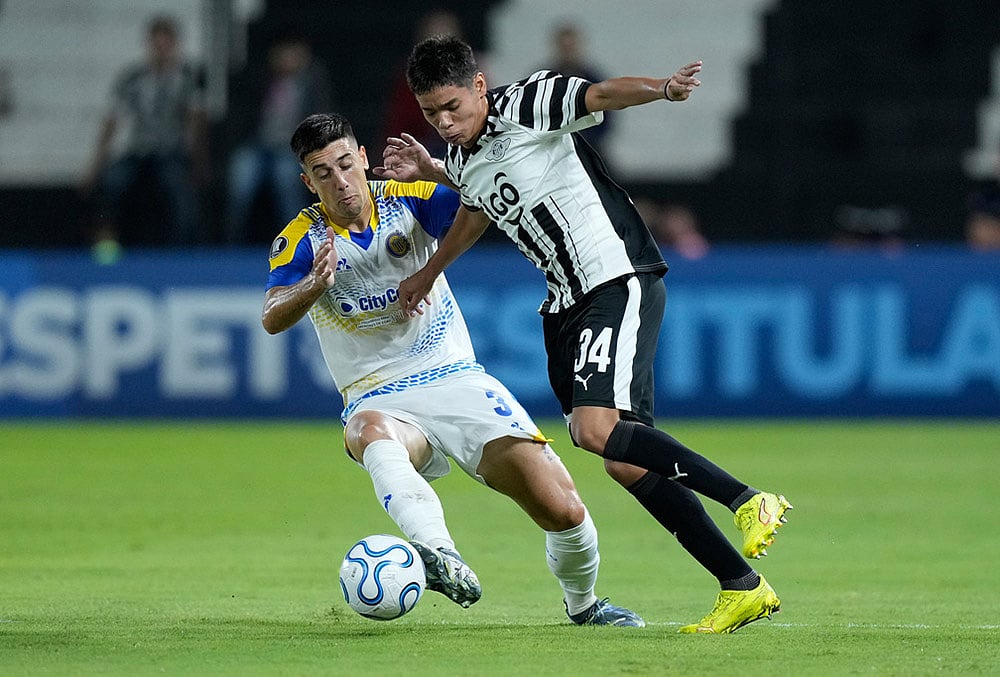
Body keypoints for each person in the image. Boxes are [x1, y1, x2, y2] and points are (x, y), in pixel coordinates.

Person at [379, 36, 792, 634]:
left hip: (613, 279)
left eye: (452, 107)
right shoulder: (465, 157)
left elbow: (599, 94)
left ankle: (748, 499)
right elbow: (478, 204)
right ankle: (741, 587)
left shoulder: (528, 103)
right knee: (624, 458)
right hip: (565, 306)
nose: (445, 122)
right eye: (431, 113)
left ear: (479, 86)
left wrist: (663, 89)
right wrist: (429, 261)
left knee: (592, 429)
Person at [261, 112, 643, 626]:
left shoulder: (408, 199)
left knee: (564, 510)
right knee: (367, 430)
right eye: (323, 172)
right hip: (377, 393)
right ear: (308, 181)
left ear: (362, 159)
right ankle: (440, 553)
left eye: (345, 164)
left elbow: (483, 207)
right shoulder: (302, 238)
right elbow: (271, 316)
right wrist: (312, 285)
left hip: (453, 377)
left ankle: (585, 604)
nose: (340, 181)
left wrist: (437, 179)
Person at [80, 15, 208, 250]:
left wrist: (196, 160)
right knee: (112, 183)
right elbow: (112, 120)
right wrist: (96, 164)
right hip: (138, 149)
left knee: (181, 194)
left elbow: (195, 120)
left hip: (170, 150)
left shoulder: (187, 77)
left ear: (174, 45)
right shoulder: (133, 77)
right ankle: (105, 242)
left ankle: (182, 250)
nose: (161, 51)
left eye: (166, 45)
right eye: (157, 45)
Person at [224, 33, 333, 245]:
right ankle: (232, 240)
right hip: (258, 144)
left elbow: (321, 120)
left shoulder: (313, 83)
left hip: (293, 149)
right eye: (283, 54)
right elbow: (243, 117)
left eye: (293, 54)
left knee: (285, 178)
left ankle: (296, 238)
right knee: (241, 173)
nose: (287, 59)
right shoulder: (261, 79)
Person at [537, 22, 614, 159]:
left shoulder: (595, 80)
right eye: (564, 47)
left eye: (570, 47)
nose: (568, 52)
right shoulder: (541, 81)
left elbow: (607, 119)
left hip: (589, 149)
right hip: (550, 151)